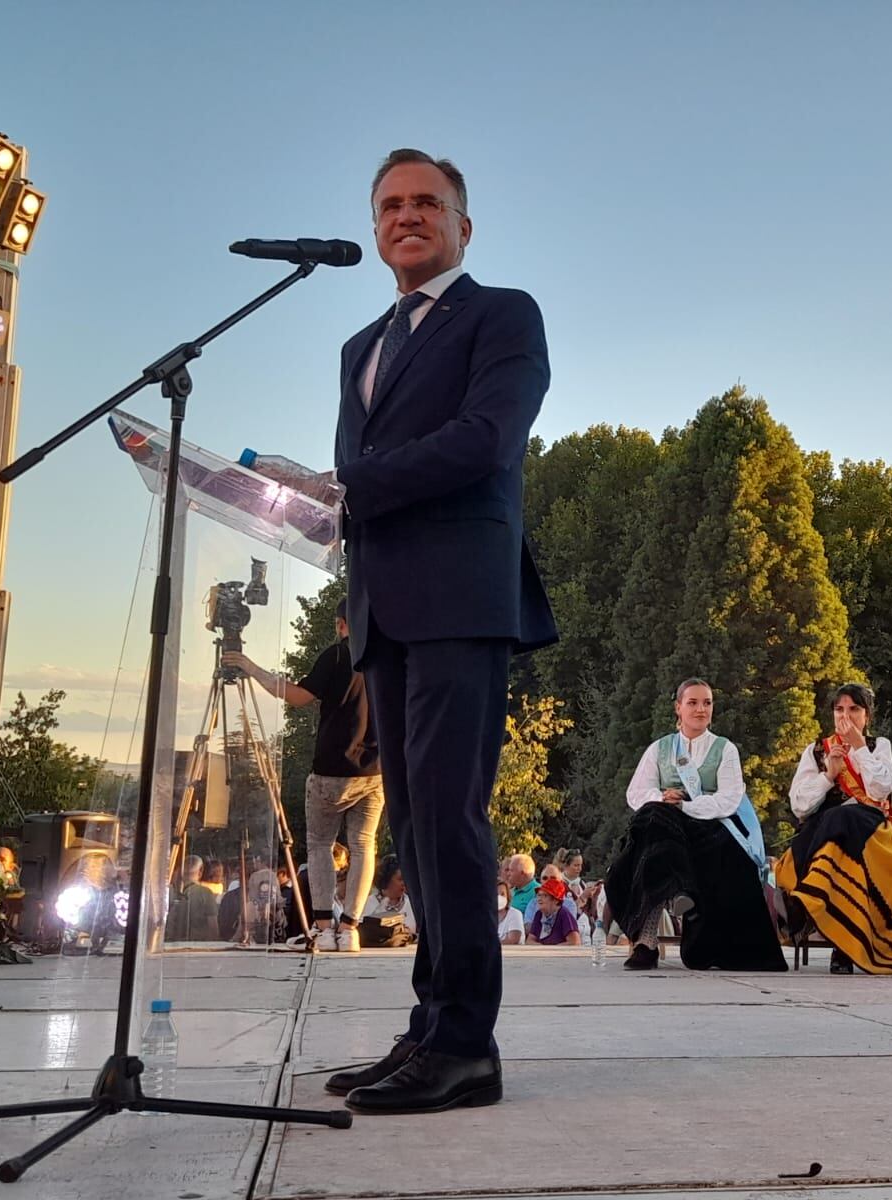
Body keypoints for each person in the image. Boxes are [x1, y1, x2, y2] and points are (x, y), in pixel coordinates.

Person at [322, 149, 557, 1117]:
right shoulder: (359, 345)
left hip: (460, 597)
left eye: (427, 203)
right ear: (374, 228)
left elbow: (486, 440)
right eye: (390, 206)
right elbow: (359, 469)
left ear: (464, 226)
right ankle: (430, 1026)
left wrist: (351, 489)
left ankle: (467, 1046)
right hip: (384, 609)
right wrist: (324, 504)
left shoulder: (503, 313)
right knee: (413, 831)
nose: (406, 217)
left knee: (451, 824)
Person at [227, 601, 384, 953]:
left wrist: (249, 666)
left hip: (330, 768)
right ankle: (351, 929)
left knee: (319, 845)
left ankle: (324, 927)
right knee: (363, 846)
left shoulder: (337, 657)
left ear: (342, 625)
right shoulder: (386, 657)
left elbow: (297, 696)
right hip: (373, 771)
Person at [603, 679, 785, 973]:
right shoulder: (659, 749)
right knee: (651, 820)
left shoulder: (725, 750)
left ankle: (664, 926)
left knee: (657, 828)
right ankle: (648, 936)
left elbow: (728, 799)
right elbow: (636, 793)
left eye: (707, 703)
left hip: (708, 827)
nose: (701, 709)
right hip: (664, 825)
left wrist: (685, 805)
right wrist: (663, 798)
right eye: (693, 703)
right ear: (678, 708)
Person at [776, 684, 892, 974]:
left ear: (866, 715)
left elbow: (880, 789)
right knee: (831, 825)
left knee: (840, 820)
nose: (846, 716)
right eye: (839, 709)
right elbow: (800, 805)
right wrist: (828, 775)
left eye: (854, 709)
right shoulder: (817, 750)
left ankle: (805, 907)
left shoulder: (878, 746)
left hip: (870, 830)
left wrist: (858, 748)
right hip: (826, 832)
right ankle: (837, 940)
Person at [166, 856, 222, 942]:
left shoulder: (168, 892)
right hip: (197, 949)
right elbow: (213, 929)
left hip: (171, 947)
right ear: (201, 871)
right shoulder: (206, 894)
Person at [362, 857, 418, 937]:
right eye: (400, 879)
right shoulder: (367, 903)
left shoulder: (412, 904)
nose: (404, 883)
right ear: (386, 879)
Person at [526, 877, 581, 946]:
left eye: (545, 896)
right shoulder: (539, 914)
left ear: (556, 900)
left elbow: (575, 942)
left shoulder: (564, 914)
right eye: (539, 895)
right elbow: (529, 941)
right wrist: (542, 949)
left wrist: (552, 950)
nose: (539, 899)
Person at [496, 881, 524, 946]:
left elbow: (513, 940)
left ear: (507, 896)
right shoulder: (486, 917)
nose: (499, 897)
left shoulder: (515, 914)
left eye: (502, 894)